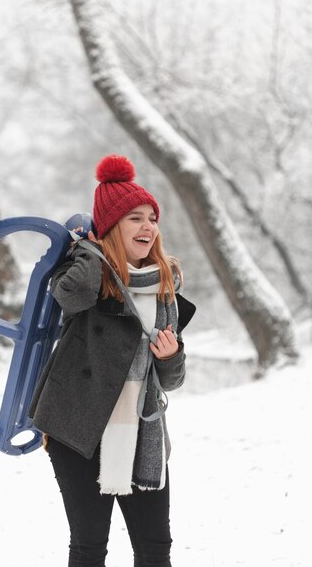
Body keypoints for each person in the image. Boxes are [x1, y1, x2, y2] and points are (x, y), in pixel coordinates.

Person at [29, 154, 195, 567]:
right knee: (89, 547)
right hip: (77, 426)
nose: (147, 227)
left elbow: (172, 380)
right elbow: (72, 297)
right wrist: (91, 249)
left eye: (152, 218)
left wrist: (171, 356)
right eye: (134, 218)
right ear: (112, 226)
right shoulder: (85, 273)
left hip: (143, 430)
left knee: (155, 548)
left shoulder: (164, 284)